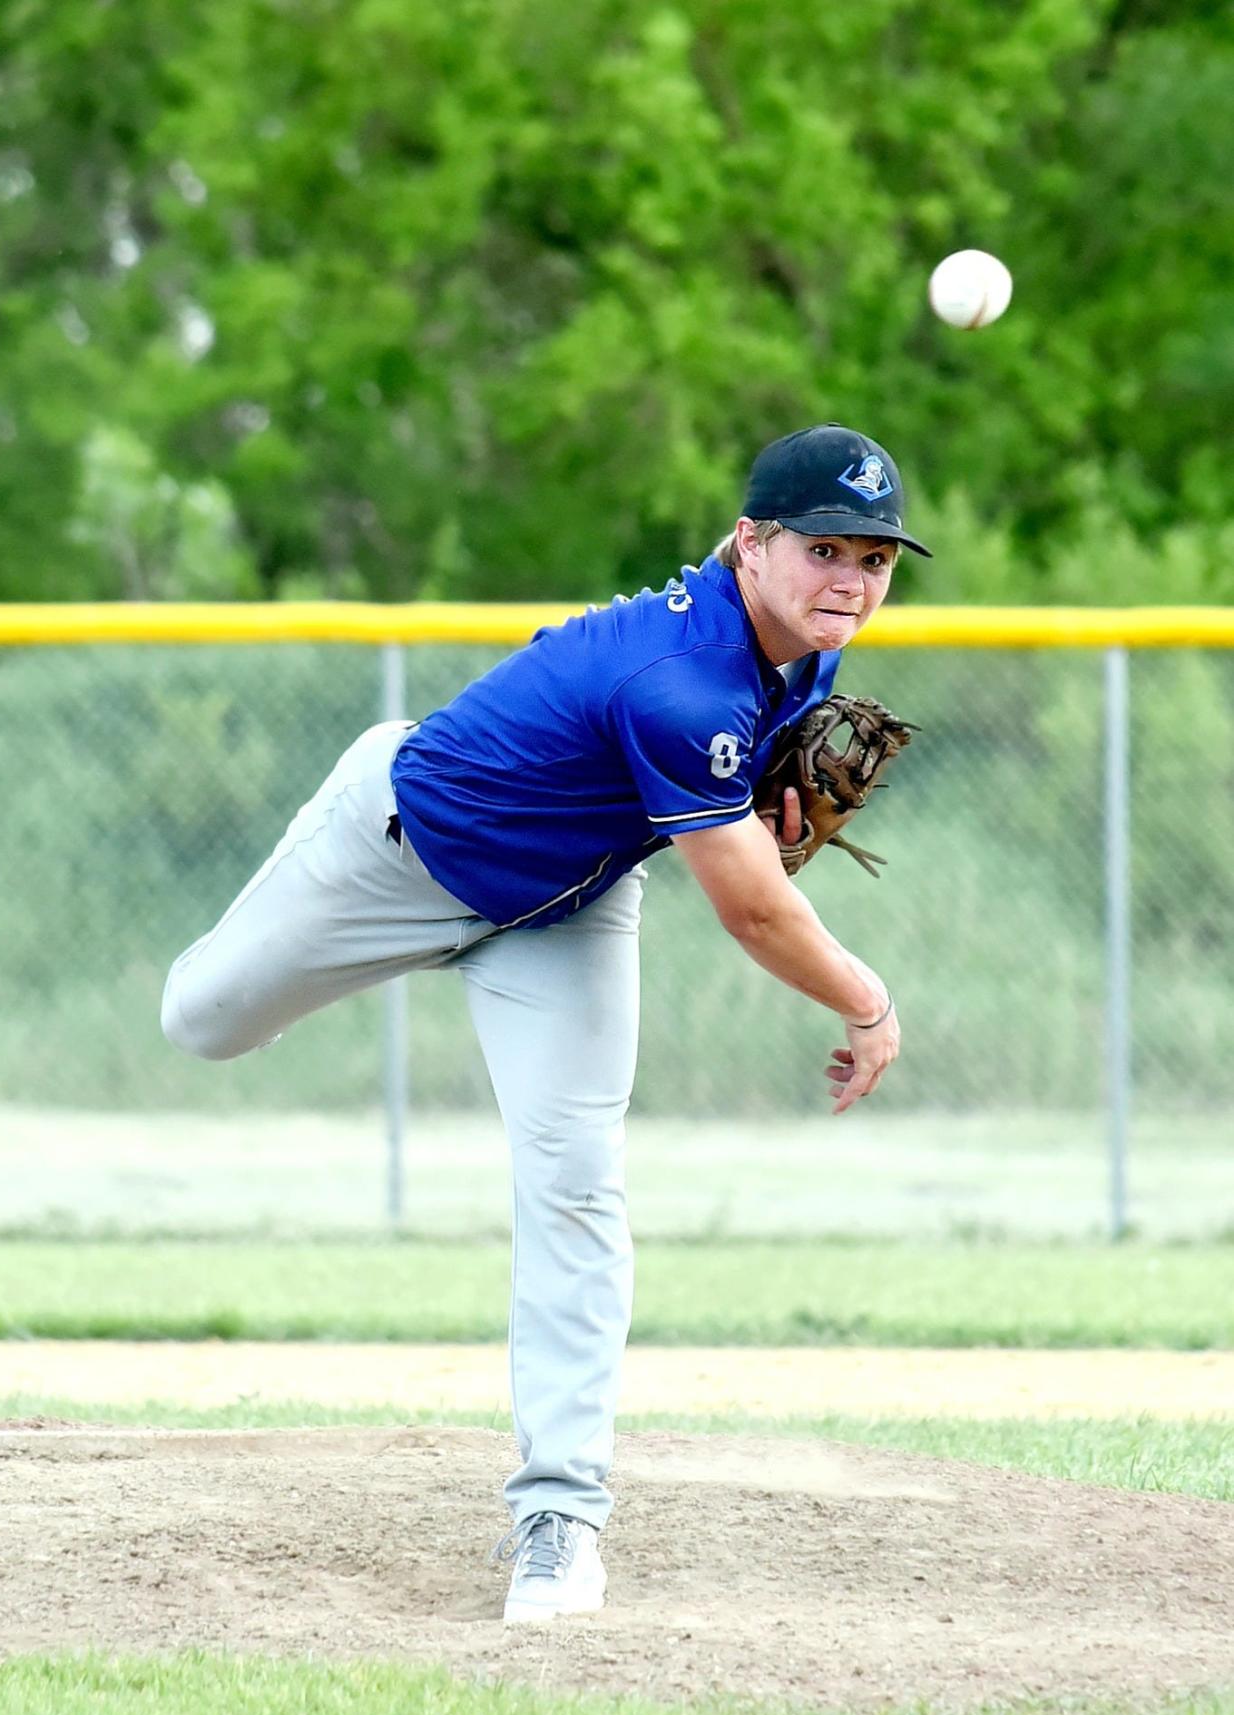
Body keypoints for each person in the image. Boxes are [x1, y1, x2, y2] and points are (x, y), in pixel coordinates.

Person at [161, 422, 931, 1623]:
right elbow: (753, 914)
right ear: (748, 542)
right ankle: (340, 822)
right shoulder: (675, 681)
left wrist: (764, 801)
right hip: (395, 855)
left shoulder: (802, 655)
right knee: (199, 1020)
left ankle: (559, 1518)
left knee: (577, 1183)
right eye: (824, 548)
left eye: (875, 559)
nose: (852, 579)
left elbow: (745, 829)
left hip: (563, 911)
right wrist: (868, 1002)